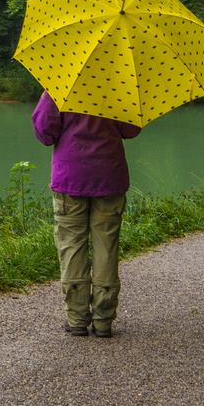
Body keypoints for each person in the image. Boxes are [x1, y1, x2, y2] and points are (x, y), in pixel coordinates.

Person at [32, 94, 141, 338]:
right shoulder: (119, 83)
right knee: (106, 246)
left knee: (71, 245)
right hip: (109, 176)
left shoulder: (62, 83)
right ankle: (103, 320)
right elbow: (131, 129)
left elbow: (45, 132)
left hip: (70, 175)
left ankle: (77, 318)